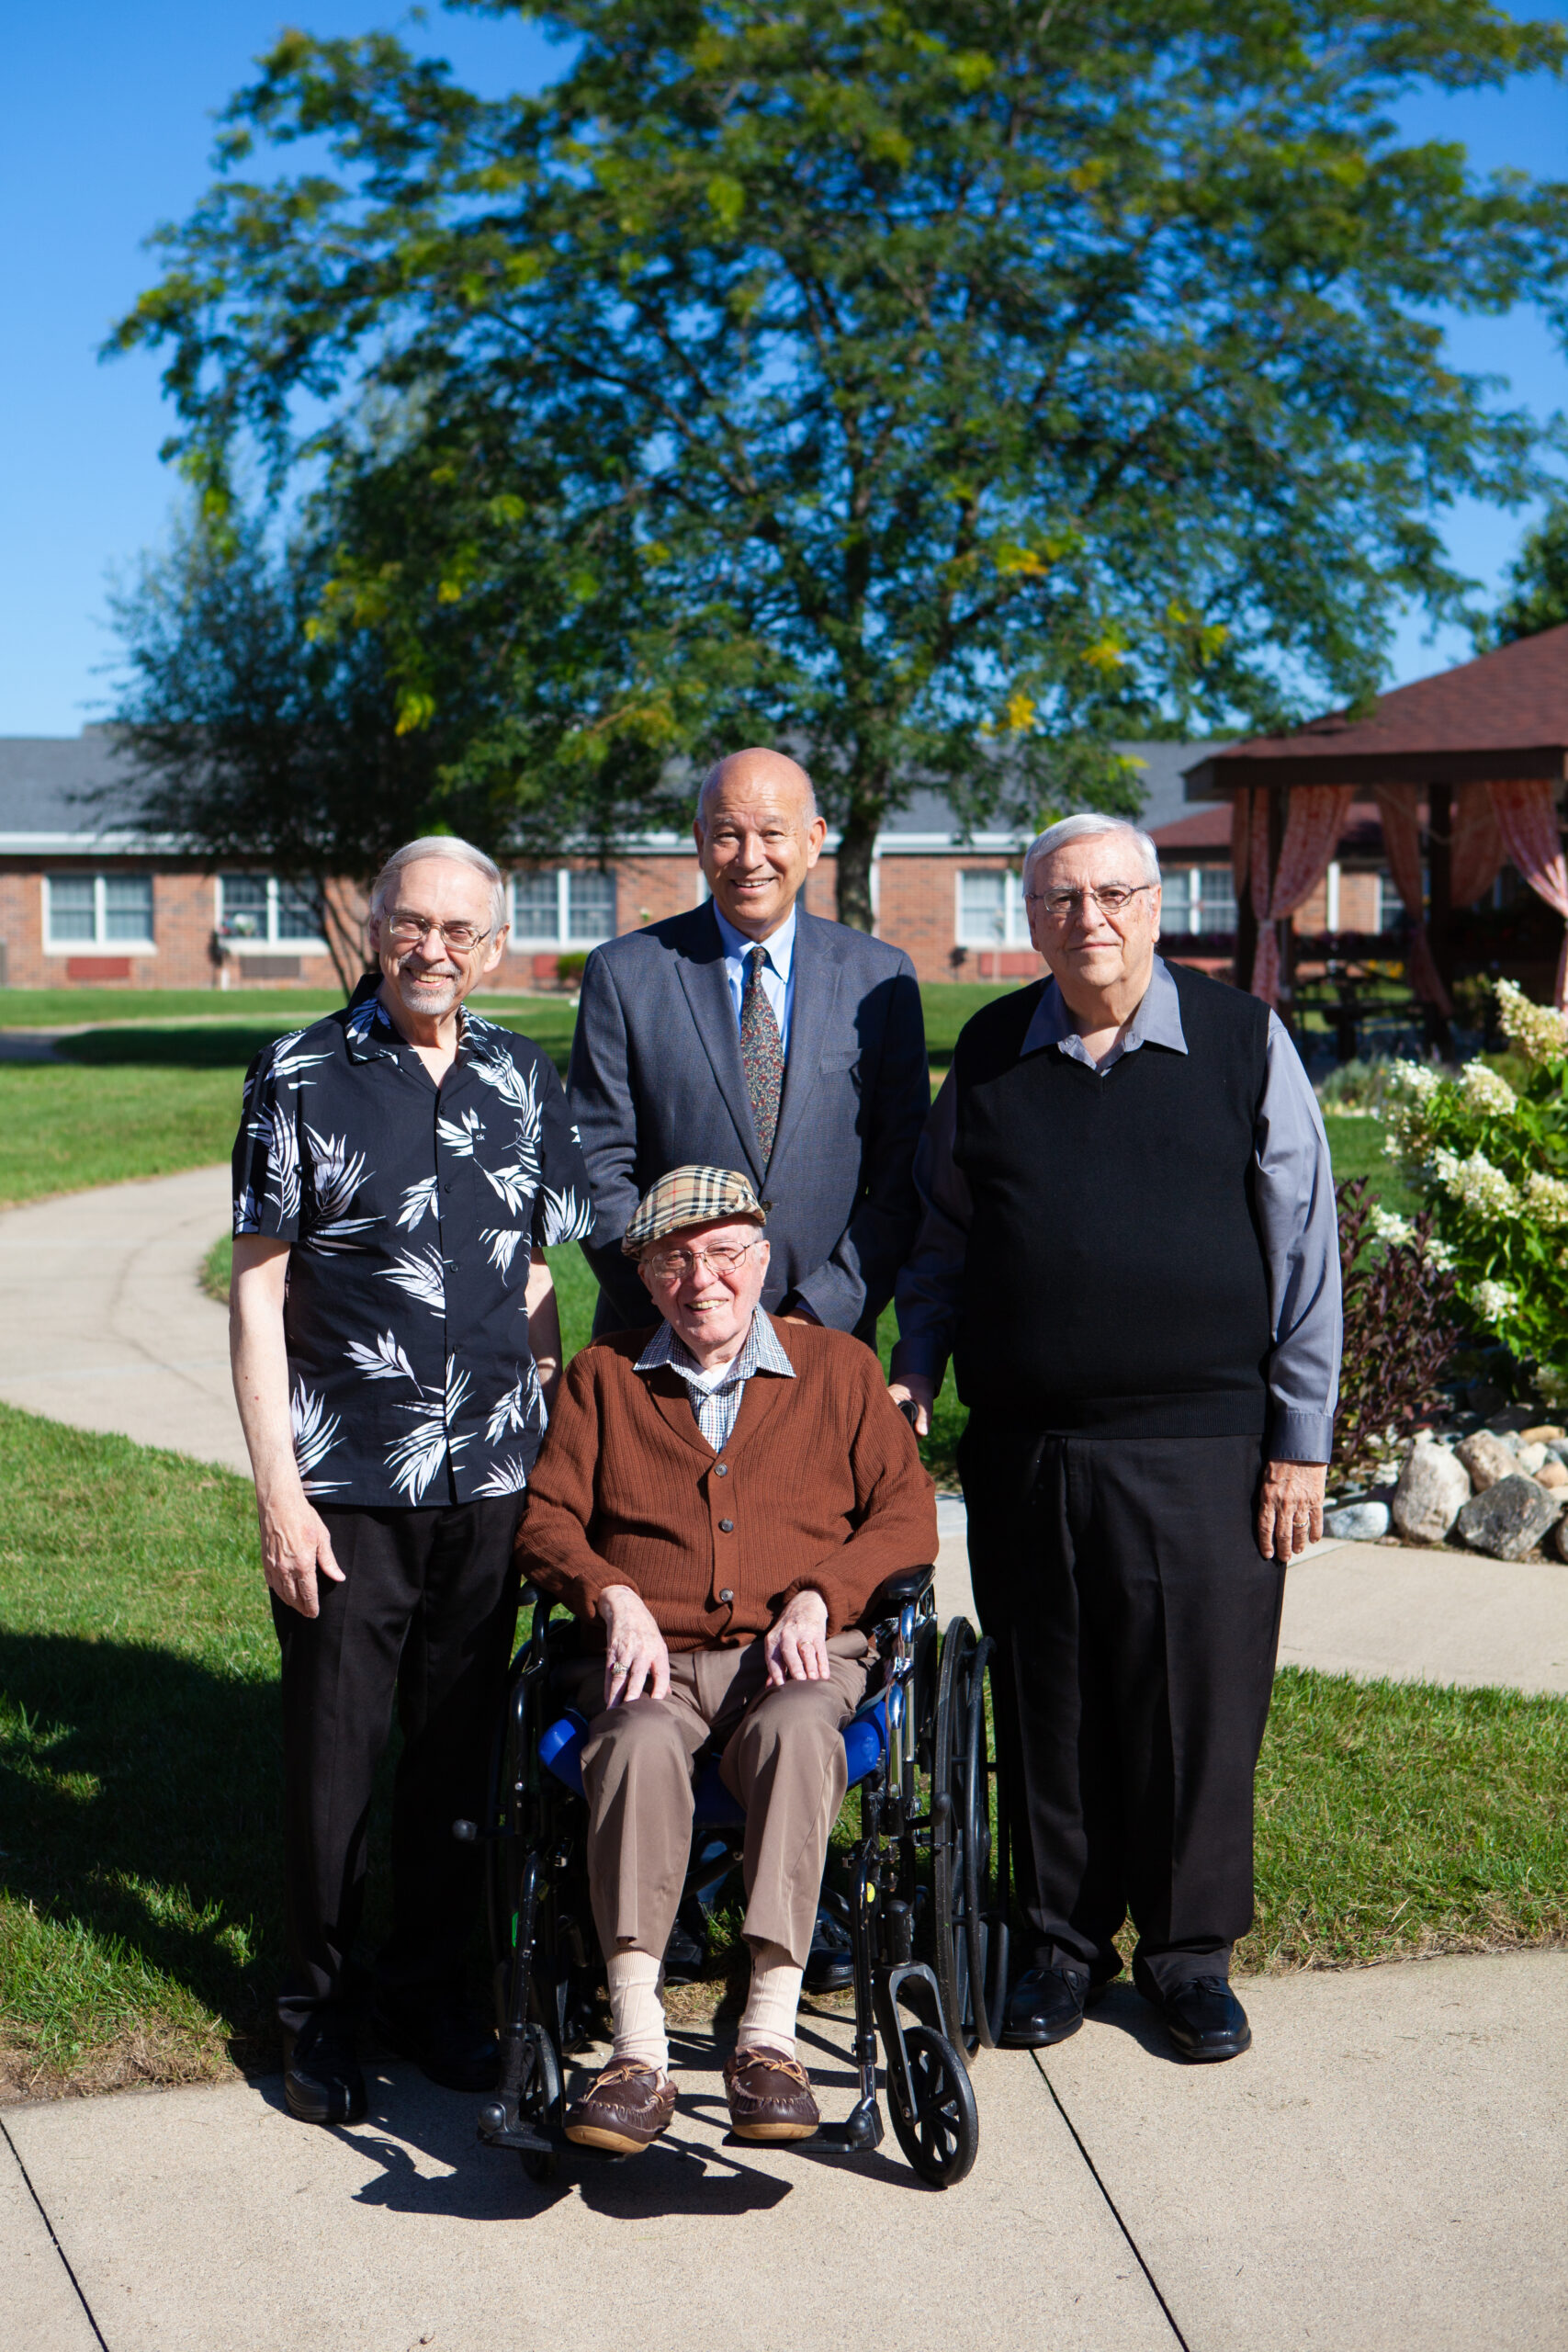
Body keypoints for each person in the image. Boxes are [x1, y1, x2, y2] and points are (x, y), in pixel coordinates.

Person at [890, 812, 1340, 2064]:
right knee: (1049, 1699)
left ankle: (1188, 1956)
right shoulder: (988, 1053)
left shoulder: (1240, 1041)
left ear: (1152, 906)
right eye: (1057, 899)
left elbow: (1304, 1248)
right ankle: (1055, 1945)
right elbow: (941, 1240)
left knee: (1192, 1707)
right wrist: (915, 1368)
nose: (1084, 919)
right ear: (1029, 918)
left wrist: (1298, 1443)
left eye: (1109, 895)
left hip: (1202, 1443)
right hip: (1029, 1442)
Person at [230, 834, 593, 2127]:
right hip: (349, 1490)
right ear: (372, 931)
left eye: (459, 930)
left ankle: (438, 1994)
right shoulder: (300, 1076)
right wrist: (277, 1491)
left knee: (456, 1757)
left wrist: (551, 1441)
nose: (432, 949)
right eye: (408, 925)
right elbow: (260, 1292)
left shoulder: (518, 1074)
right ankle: (317, 2014)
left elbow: (538, 1277)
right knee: (334, 1760)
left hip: (490, 1483)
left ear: (493, 946)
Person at [518, 1165, 937, 2154]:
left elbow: (909, 1515)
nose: (700, 1280)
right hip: (649, 1663)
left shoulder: (834, 1369)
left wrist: (823, 1596)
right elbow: (542, 1522)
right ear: (646, 1280)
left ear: (761, 1257)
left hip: (795, 1663)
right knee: (631, 1745)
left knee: (799, 1732)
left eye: (721, 1255)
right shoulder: (603, 1379)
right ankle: (636, 2046)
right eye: (673, 1261)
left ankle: (769, 2039)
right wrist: (606, 1591)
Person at [567, 746, 930, 1344]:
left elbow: (902, 1172)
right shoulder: (625, 973)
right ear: (699, 840)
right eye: (727, 835)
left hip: (822, 1342)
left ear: (813, 840)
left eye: (771, 833)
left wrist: (821, 1310)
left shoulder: (881, 978)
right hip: (661, 1338)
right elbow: (598, 1165)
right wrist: (680, 1303)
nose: (749, 857)